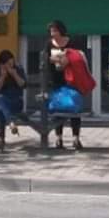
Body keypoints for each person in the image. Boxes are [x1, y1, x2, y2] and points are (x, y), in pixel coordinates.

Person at [42, 19, 93, 151]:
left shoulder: (71, 42)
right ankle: (58, 138)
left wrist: (67, 59)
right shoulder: (49, 44)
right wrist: (53, 59)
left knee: (74, 108)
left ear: (61, 31)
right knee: (58, 109)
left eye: (55, 31)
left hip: (72, 79)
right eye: (51, 31)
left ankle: (76, 138)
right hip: (56, 80)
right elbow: (45, 58)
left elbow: (78, 57)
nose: (52, 34)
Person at [0, 49, 27, 149]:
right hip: (4, 100)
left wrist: (14, 74)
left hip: (16, 101)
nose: (10, 65)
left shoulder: (19, 68)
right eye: (7, 64)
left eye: (11, 62)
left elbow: (23, 85)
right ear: (2, 64)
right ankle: (11, 124)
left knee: (0, 105)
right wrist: (2, 76)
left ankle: (1, 138)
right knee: (1, 101)